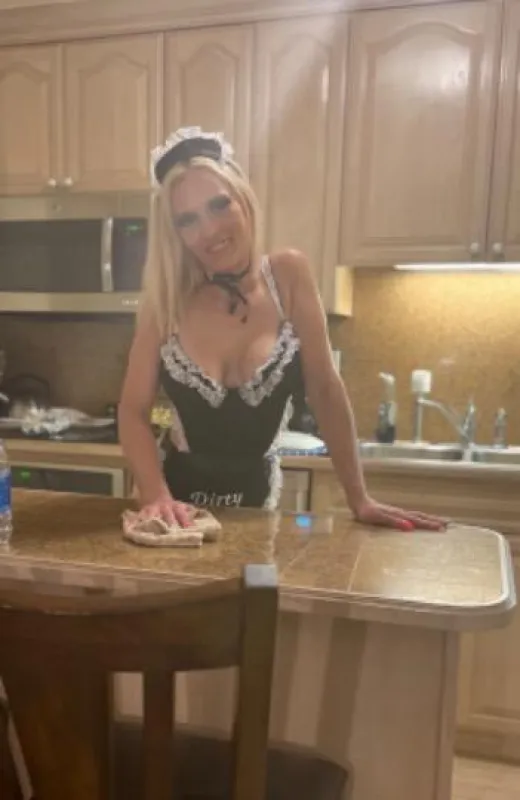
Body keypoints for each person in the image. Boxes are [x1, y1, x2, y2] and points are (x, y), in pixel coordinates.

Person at [118, 127, 445, 532]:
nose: (209, 231)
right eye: (188, 220)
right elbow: (132, 411)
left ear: (244, 199)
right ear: (175, 233)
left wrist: (358, 497)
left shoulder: (288, 276)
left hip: (259, 508)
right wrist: (155, 495)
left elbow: (325, 389)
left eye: (219, 205)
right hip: (175, 514)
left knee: (255, 573)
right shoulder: (166, 299)